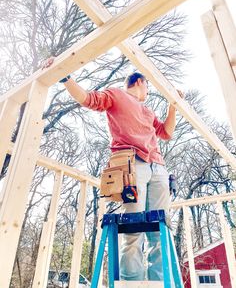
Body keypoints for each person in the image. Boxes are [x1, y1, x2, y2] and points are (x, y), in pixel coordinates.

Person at [43, 58, 182, 281]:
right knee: (134, 229)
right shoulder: (117, 95)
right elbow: (88, 99)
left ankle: (158, 282)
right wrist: (66, 77)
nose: (148, 91)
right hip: (133, 165)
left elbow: (166, 133)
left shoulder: (147, 112)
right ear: (141, 82)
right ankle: (132, 284)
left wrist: (173, 108)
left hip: (159, 168)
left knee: (160, 230)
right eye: (148, 86)